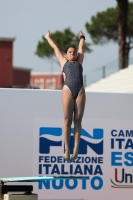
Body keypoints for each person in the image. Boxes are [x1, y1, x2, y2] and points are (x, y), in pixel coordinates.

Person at [44, 30, 86, 161]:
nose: (73, 53)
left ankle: (76, 148)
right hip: (67, 89)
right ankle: (67, 148)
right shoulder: (63, 62)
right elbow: (55, 48)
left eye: (74, 52)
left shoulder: (79, 61)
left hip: (80, 90)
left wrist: (82, 37)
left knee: (78, 121)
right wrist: (48, 38)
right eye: (70, 52)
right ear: (66, 54)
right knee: (67, 120)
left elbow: (81, 46)